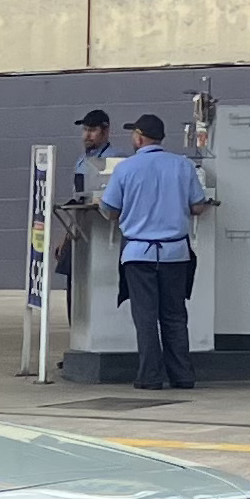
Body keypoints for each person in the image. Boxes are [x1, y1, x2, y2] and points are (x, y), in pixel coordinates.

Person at [98, 113, 213, 390]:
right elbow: (198, 205)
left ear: (139, 137)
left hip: (139, 254)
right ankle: (182, 375)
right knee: (174, 315)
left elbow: (110, 211)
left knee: (146, 317)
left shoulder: (125, 169)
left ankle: (150, 376)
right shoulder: (183, 166)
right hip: (176, 254)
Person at [56, 109, 116, 310]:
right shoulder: (82, 161)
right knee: (73, 280)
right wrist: (65, 237)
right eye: (85, 130)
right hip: (80, 227)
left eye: (92, 130)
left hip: (103, 229)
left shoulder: (114, 159)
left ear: (105, 132)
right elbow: (77, 200)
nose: (86, 135)